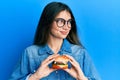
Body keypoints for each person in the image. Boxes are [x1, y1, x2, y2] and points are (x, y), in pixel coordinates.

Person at [9, 2, 101, 80]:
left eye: (69, 22)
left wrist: (81, 77)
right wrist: (35, 76)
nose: (66, 26)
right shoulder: (30, 53)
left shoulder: (80, 53)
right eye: (61, 21)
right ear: (48, 22)